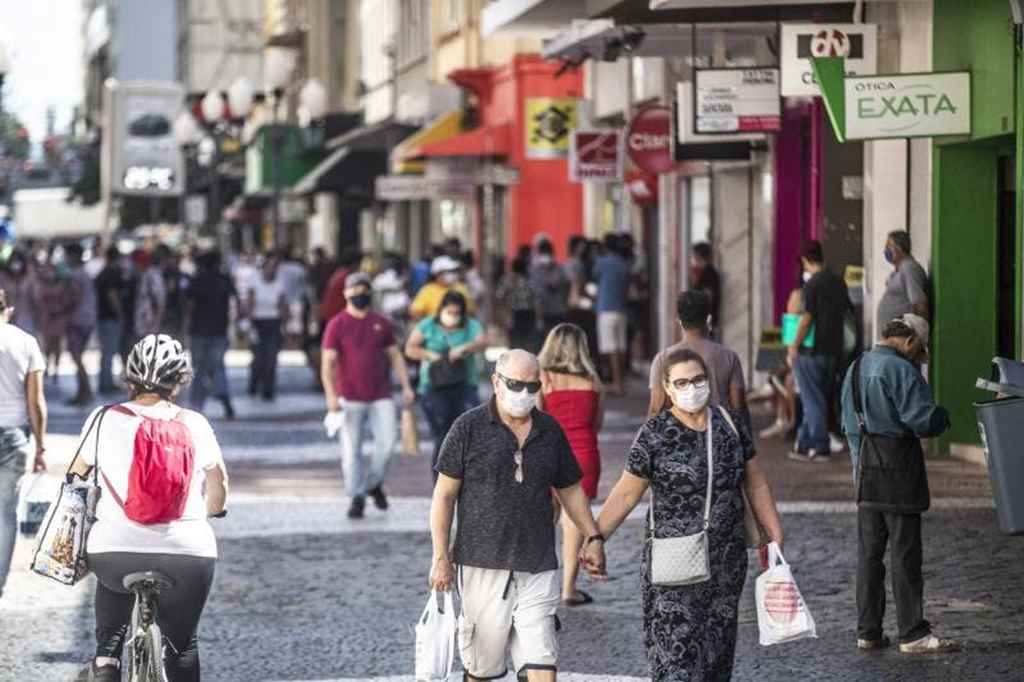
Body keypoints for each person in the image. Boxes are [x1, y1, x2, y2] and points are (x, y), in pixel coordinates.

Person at [596, 348, 783, 681]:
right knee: (676, 660)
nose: (692, 388)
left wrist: (773, 532)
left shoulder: (730, 425)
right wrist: (595, 538)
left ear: (708, 381)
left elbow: (755, 483)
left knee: (716, 655)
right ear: (668, 389)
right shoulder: (654, 434)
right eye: (681, 382)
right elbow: (625, 493)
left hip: (725, 562)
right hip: (672, 565)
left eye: (698, 380)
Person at [428, 349, 607, 682]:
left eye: (532, 386)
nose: (524, 393)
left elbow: (570, 489)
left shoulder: (550, 430)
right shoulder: (468, 428)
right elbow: (444, 496)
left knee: (543, 667)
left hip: (538, 564)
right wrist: (441, 557)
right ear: (496, 382)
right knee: (482, 671)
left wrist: (593, 536)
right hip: (482, 564)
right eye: (515, 384)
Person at [66, 334, 229, 681]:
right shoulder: (195, 424)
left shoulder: (102, 419)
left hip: (114, 549)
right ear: (179, 382)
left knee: (112, 584)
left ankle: (106, 662)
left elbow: (75, 476)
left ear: (129, 379)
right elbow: (219, 491)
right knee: (182, 646)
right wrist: (211, 511)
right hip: (187, 552)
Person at [841, 315, 958, 655]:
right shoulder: (901, 370)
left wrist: (858, 470)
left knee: (869, 556)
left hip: (865, 472)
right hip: (899, 472)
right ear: (909, 341)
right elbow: (922, 420)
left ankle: (868, 631)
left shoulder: (855, 367)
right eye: (919, 350)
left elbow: (849, 425)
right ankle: (912, 633)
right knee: (905, 554)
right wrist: (942, 417)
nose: (919, 357)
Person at [321, 272, 416, 519]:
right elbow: (327, 363)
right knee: (351, 451)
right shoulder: (337, 324)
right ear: (346, 294)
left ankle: (373, 483)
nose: (360, 296)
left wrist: (406, 385)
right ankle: (356, 496)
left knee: (388, 442)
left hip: (381, 393)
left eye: (364, 291)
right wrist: (330, 395)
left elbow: (394, 355)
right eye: (355, 291)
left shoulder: (381, 323)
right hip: (349, 396)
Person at [537, 323, 603, 606]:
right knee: (574, 521)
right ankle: (568, 589)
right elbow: (597, 423)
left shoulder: (544, 379)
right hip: (584, 454)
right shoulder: (593, 381)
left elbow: (536, 419)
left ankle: (535, 584)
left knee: (542, 520)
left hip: (548, 453)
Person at [404, 291, 487, 476]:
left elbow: (483, 342)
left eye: (457, 313)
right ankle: (441, 480)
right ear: (441, 310)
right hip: (434, 387)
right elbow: (410, 348)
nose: (453, 317)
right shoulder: (428, 325)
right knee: (442, 436)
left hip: (464, 385)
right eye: (449, 312)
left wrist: (465, 348)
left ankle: (466, 479)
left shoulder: (470, 325)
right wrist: (429, 355)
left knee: (468, 434)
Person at [0, 287, 47, 599]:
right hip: (13, 435)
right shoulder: (25, 342)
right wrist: (40, 447)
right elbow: (36, 403)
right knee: (5, 513)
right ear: (8, 310)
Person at [788, 241, 854, 462]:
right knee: (817, 396)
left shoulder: (812, 285)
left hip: (811, 350)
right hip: (834, 349)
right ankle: (803, 443)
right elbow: (847, 313)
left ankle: (819, 445)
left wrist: (794, 344)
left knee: (812, 399)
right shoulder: (838, 281)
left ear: (805, 261)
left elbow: (807, 318)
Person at [648, 290, 749, 428]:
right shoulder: (729, 356)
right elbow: (738, 407)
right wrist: (745, 438)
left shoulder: (662, 359)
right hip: (719, 433)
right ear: (708, 319)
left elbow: (656, 408)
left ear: (679, 320)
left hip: (678, 435)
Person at [187, 250, 238, 419]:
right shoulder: (224, 280)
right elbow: (234, 302)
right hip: (219, 330)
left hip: (198, 330)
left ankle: (196, 404)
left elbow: (189, 305)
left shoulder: (196, 280)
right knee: (218, 367)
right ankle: (224, 397)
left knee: (198, 369)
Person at [593, 234, 631, 396]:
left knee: (611, 349)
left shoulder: (601, 263)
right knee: (620, 348)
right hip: (621, 309)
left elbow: (594, 278)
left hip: (606, 309)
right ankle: (620, 381)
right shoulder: (624, 264)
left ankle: (617, 384)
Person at [246, 254, 288, 401]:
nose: (272, 270)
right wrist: (249, 324)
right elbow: (250, 303)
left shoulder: (280, 283)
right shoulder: (255, 281)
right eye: (269, 266)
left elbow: (282, 304)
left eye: (274, 267)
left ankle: (268, 389)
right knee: (258, 357)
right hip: (258, 322)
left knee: (271, 357)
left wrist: (284, 325)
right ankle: (253, 385)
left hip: (273, 322)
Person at [877, 230, 930, 335]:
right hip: (892, 337)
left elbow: (919, 304)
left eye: (889, 246)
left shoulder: (909, 268)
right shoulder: (900, 270)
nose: (886, 250)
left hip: (903, 338)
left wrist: (920, 336)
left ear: (900, 248)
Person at [65, 243, 98, 406]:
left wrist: (62, 310)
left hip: (77, 320)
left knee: (76, 357)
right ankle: (83, 392)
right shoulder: (84, 273)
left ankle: (85, 393)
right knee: (78, 357)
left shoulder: (76, 275)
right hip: (87, 319)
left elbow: (74, 297)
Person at [94, 246, 125, 395]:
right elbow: (112, 295)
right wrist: (120, 313)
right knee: (109, 352)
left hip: (102, 317)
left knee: (106, 352)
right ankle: (106, 385)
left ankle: (105, 382)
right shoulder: (112, 273)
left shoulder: (102, 273)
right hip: (110, 318)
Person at [34, 261, 71, 383]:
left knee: (57, 345)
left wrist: (59, 310)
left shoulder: (62, 286)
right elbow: (39, 302)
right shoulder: (42, 286)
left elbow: (66, 301)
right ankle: (47, 366)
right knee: (48, 344)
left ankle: (55, 368)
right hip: (47, 318)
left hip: (58, 318)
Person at [496, 256, 542, 352]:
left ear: (513, 268)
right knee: (528, 342)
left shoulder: (507, 280)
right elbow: (537, 301)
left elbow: (499, 298)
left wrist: (502, 316)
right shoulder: (531, 281)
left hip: (514, 313)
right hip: (529, 314)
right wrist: (539, 319)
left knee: (515, 342)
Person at [408, 255, 475, 320]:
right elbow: (415, 312)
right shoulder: (427, 290)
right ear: (438, 274)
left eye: (452, 271)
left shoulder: (461, 288)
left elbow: (471, 311)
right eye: (448, 271)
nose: (451, 274)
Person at [529, 239, 570, 337]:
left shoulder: (558, 268)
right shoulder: (534, 270)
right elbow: (534, 290)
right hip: (543, 312)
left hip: (557, 310)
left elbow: (560, 284)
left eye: (547, 252)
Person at [318, 249, 363, 328]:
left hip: (329, 316)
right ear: (355, 263)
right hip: (336, 317)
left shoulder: (339, 273)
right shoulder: (348, 277)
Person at [134, 245, 169, 340]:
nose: (135, 265)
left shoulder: (153, 276)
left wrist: (156, 324)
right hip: (143, 324)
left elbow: (161, 301)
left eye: (137, 263)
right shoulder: (144, 275)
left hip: (149, 326)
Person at [0, 250, 37, 336]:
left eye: (17, 261)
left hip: (26, 321)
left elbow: (36, 297)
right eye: (13, 261)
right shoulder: (3, 278)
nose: (16, 265)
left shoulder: (29, 278)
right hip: (7, 321)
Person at [690, 242, 722, 335]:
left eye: (693, 256)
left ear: (699, 256)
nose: (692, 259)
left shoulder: (709, 273)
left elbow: (708, 299)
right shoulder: (706, 272)